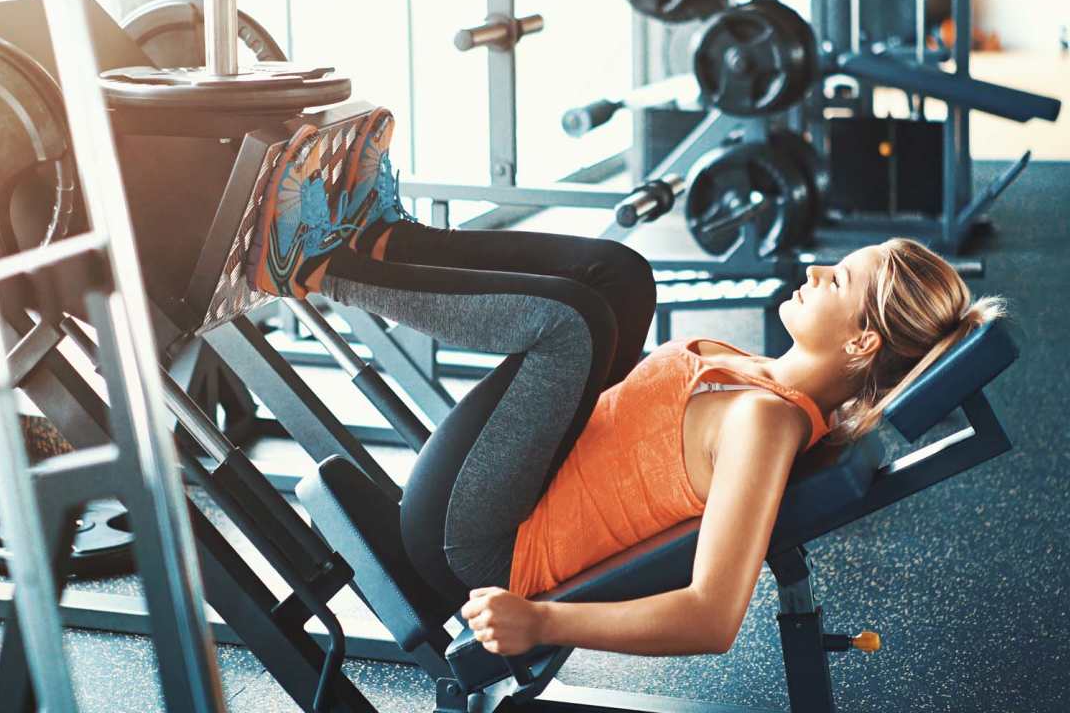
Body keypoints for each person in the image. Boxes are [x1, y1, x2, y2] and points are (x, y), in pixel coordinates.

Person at [247, 109, 1005, 658]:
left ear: (863, 339)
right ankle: (382, 237)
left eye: (836, 278)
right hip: (537, 483)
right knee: (620, 275)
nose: (813, 271)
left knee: (571, 326)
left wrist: (541, 623)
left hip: (483, 544)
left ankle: (318, 271)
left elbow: (712, 617)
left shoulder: (766, 424)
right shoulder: (758, 377)